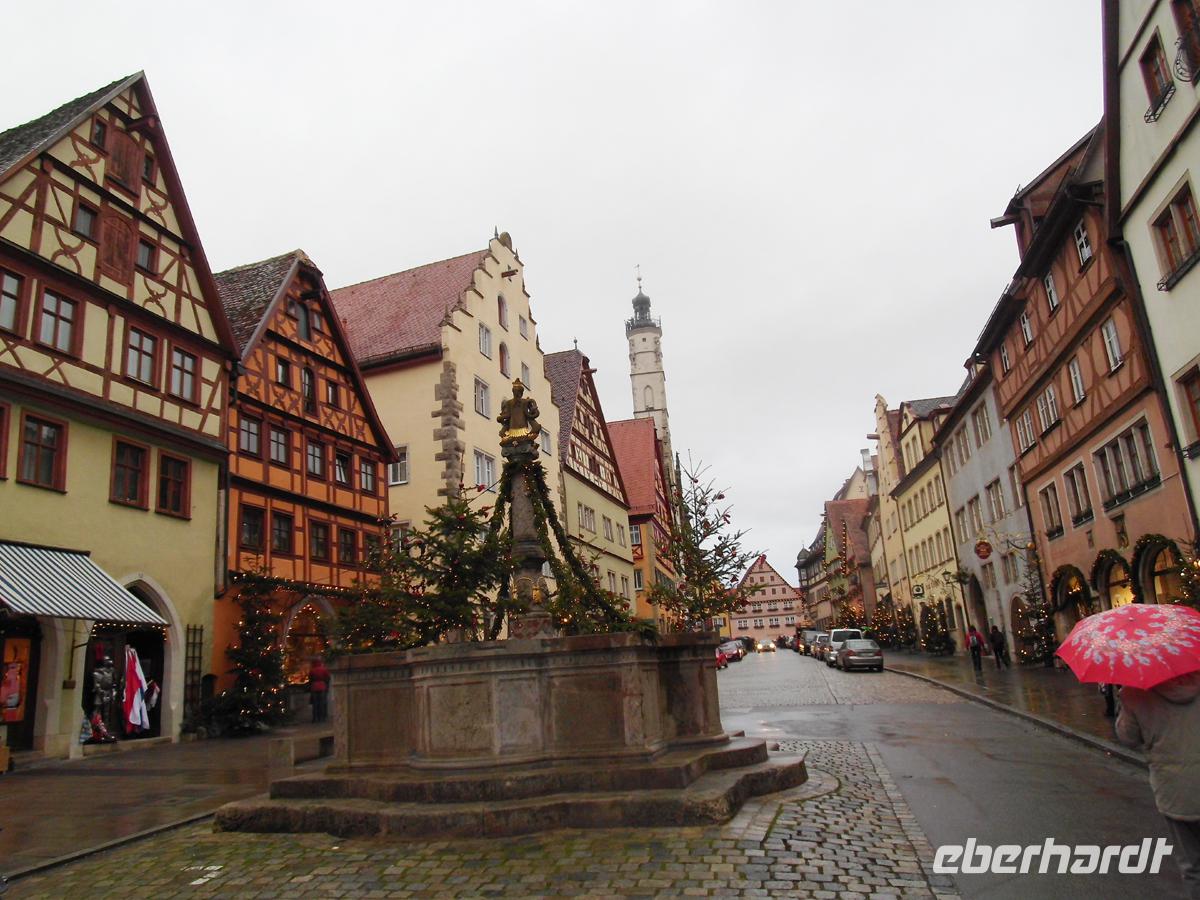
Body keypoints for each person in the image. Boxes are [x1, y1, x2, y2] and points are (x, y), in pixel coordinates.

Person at [1116, 672, 1200, 898]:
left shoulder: (1134, 694)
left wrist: (1123, 704)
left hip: (1175, 792)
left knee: (1192, 866)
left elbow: (1128, 737)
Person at [308, 657, 331, 724]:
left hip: (314, 687)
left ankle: (315, 718)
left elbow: (310, 679)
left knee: (315, 704)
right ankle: (322, 717)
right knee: (322, 703)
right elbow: (328, 678)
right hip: (322, 686)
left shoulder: (312, 670)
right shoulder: (324, 669)